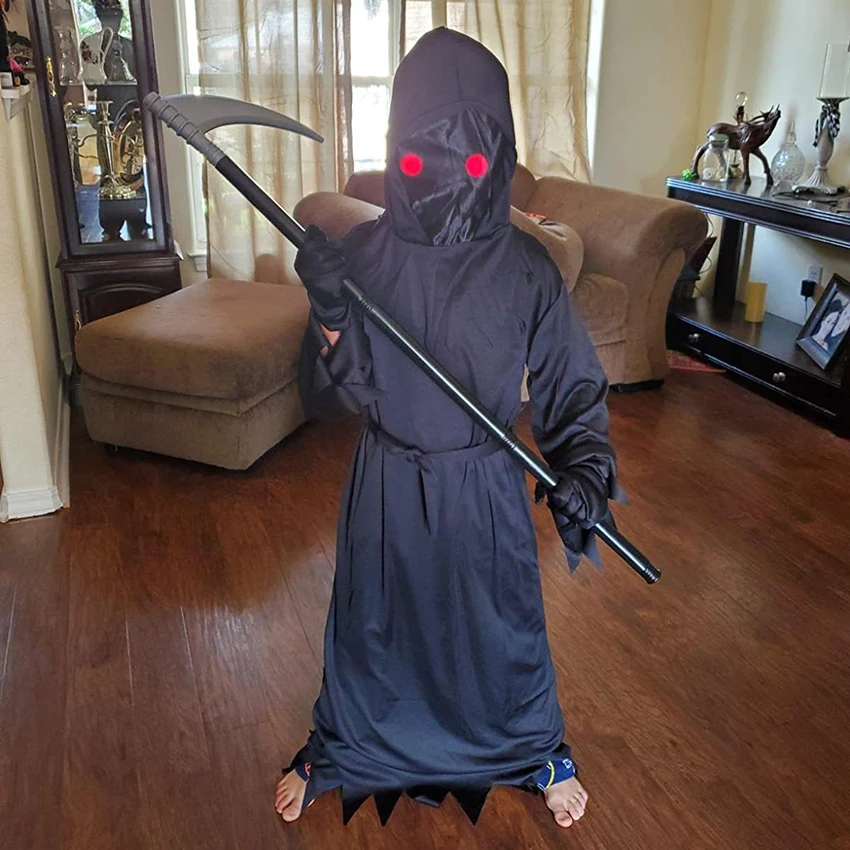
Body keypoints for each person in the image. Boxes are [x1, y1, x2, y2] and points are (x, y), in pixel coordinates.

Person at [275, 27, 619, 829]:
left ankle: (534, 748)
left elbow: (572, 384)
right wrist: (329, 309)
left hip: (484, 483)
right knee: (374, 620)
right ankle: (344, 744)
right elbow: (328, 397)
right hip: (388, 479)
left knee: (500, 625)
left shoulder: (527, 268)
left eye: (468, 158)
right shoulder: (364, 256)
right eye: (424, 155)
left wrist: (583, 472)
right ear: (398, 148)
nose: (445, 175)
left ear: (496, 156)